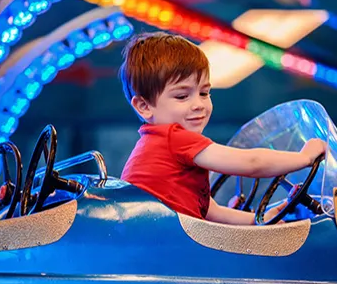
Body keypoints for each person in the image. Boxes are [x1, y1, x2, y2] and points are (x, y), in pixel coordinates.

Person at [119, 32, 326, 225]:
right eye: (182, 96)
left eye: (204, 93)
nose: (199, 104)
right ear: (144, 106)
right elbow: (251, 163)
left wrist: (257, 220)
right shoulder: (174, 139)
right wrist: (304, 158)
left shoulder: (156, 144)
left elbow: (210, 210)